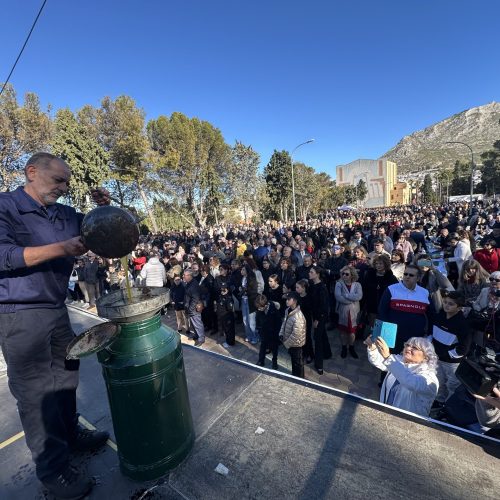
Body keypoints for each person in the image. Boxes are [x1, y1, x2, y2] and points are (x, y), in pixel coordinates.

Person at [0, 153, 110, 499]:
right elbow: (4, 255)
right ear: (32, 172)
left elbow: (101, 232)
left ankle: (71, 435)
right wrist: (60, 248)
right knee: (35, 396)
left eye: (67, 183)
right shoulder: (6, 206)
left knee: (66, 377)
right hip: (19, 315)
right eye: (58, 180)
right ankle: (54, 473)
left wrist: (102, 209)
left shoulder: (66, 214)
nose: (63, 188)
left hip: (56, 309)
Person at [365, 336, 439, 417]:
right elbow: (378, 361)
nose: (408, 348)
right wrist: (372, 348)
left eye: (414, 347)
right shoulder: (399, 360)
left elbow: (410, 382)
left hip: (409, 422)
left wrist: (387, 357)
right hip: (387, 413)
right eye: (407, 345)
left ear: (426, 357)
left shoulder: (430, 378)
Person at [377, 263, 432, 354]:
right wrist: (385, 333)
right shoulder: (391, 289)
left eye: (411, 275)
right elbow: (382, 311)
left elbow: (431, 315)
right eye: (405, 274)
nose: (407, 277)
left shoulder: (425, 293)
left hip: (415, 338)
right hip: (394, 336)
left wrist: (430, 334)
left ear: (418, 278)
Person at [429, 291, 472, 404]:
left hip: (452, 363)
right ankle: (439, 401)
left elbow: (464, 348)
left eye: (451, 304)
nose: (446, 305)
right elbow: (432, 334)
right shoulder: (439, 316)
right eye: (445, 302)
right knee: (438, 382)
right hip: (437, 358)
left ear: (459, 307)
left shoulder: (463, 324)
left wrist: (445, 355)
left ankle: (449, 407)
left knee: (452, 386)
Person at [362, 255, 398, 329]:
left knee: (383, 327)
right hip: (371, 305)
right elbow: (364, 289)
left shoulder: (391, 277)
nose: (378, 265)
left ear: (385, 264)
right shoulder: (369, 275)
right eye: (376, 263)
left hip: (385, 305)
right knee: (373, 326)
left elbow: (395, 292)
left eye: (380, 263)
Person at [335, 266, 363, 359]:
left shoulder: (357, 285)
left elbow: (359, 296)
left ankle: (351, 347)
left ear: (352, 275)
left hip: (354, 312)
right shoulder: (339, 284)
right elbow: (338, 297)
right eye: (343, 273)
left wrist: (346, 295)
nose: (344, 276)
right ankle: (344, 347)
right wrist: (351, 299)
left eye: (347, 274)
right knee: (343, 331)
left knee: (352, 332)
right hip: (343, 311)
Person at [308, 266, 332, 375]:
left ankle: (319, 365)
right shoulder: (312, 285)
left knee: (317, 339)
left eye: (311, 272)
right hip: (315, 315)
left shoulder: (322, 287)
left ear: (317, 274)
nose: (309, 273)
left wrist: (317, 319)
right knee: (322, 335)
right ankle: (328, 353)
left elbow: (323, 305)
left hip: (320, 317)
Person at [279, 291, 306, 378]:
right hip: (290, 343)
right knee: (293, 362)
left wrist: (286, 344)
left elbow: (296, 335)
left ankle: (300, 380)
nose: (286, 301)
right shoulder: (288, 310)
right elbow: (284, 322)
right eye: (286, 299)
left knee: (298, 364)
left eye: (288, 299)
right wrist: (281, 333)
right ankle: (295, 377)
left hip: (296, 345)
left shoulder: (298, 317)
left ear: (294, 301)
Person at [255, 294, 281, 369]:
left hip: (273, 333)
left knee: (274, 348)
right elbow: (257, 320)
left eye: (260, 308)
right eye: (258, 308)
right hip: (263, 332)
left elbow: (278, 322)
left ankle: (274, 361)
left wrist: (277, 333)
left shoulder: (274, 310)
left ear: (266, 305)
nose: (259, 309)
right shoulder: (259, 309)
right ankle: (261, 360)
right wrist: (258, 329)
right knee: (262, 346)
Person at [183, 268, 205, 346]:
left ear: (190, 276)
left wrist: (190, 309)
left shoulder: (193, 285)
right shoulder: (189, 283)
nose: (183, 277)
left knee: (197, 323)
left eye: (185, 275)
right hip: (190, 307)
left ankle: (201, 339)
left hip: (194, 308)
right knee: (193, 323)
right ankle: (196, 335)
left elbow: (195, 298)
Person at [295, 279, 314, 364]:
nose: (296, 289)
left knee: (307, 337)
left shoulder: (309, 297)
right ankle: (302, 353)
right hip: (298, 320)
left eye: (298, 287)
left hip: (306, 320)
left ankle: (309, 354)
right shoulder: (297, 296)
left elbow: (310, 309)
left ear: (303, 288)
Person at [216, 282, 236, 348]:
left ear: (227, 289)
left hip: (228, 317)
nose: (222, 290)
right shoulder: (221, 296)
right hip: (223, 317)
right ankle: (228, 341)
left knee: (229, 330)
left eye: (224, 289)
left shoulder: (228, 298)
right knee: (226, 330)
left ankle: (230, 343)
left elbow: (230, 309)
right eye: (221, 289)